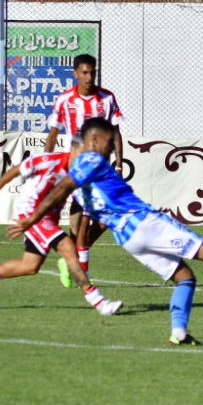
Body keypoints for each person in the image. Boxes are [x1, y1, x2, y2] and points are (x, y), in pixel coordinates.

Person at [7, 118, 203, 346]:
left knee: (185, 277)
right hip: (145, 222)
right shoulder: (91, 160)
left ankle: (179, 334)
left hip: (128, 240)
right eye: (110, 142)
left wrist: (32, 220)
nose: (112, 149)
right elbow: (62, 189)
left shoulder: (82, 176)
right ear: (94, 140)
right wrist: (32, 218)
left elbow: (70, 197)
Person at [0, 133, 122, 316]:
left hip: (49, 218)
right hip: (31, 213)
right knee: (68, 248)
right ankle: (100, 303)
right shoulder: (49, 161)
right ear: (73, 149)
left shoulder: (80, 173)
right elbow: (15, 170)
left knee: (30, 266)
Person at [45, 54, 124, 288]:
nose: (90, 77)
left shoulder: (107, 98)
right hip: (77, 165)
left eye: (93, 72)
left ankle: (70, 260)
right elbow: (52, 135)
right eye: (85, 72)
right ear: (76, 73)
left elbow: (116, 133)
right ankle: (74, 263)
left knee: (109, 215)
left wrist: (119, 163)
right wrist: (49, 164)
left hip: (102, 167)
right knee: (79, 221)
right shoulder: (64, 100)